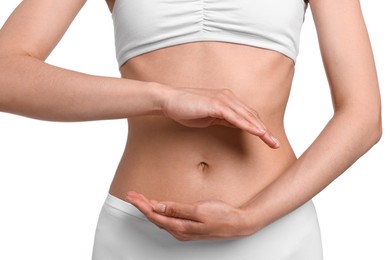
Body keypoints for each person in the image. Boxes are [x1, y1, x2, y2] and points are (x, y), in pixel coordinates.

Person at [0, 0, 382, 259]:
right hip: (139, 234)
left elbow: (362, 116)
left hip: (273, 233)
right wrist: (162, 97)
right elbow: (6, 74)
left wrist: (254, 217)